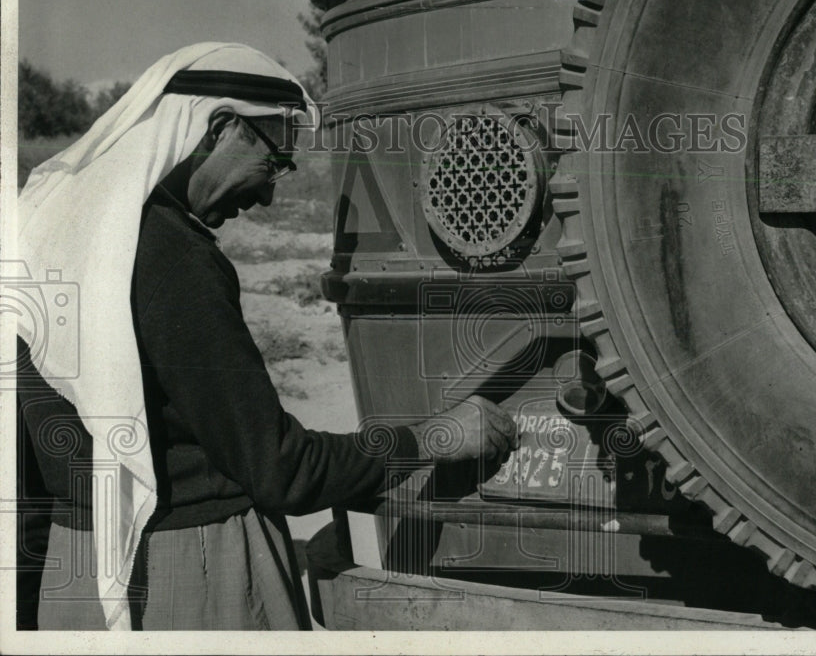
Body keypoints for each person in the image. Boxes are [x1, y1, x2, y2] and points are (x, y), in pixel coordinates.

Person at [15, 43, 516, 631]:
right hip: (192, 580)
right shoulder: (168, 256)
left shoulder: (40, 231)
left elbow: (21, 480)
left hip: (71, 583)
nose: (270, 194)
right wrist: (436, 436)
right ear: (221, 128)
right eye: (276, 161)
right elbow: (281, 469)